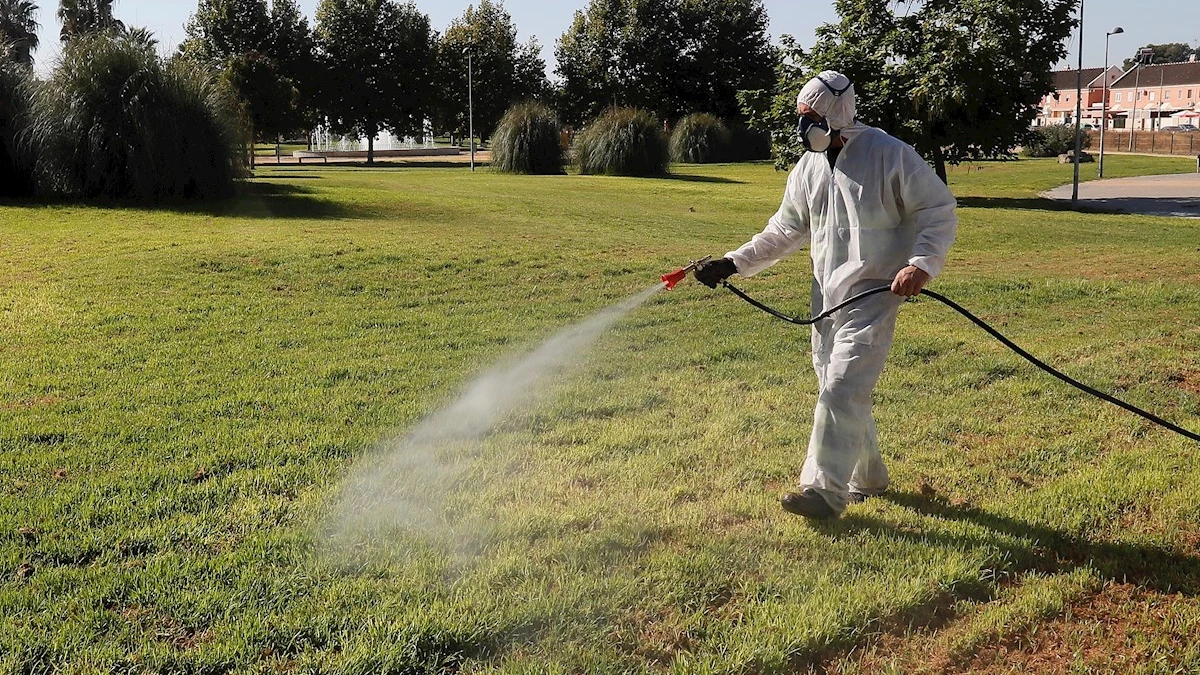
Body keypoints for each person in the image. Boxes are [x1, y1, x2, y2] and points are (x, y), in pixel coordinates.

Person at [694, 70, 957, 520]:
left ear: (837, 113)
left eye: (811, 116)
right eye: (800, 117)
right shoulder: (808, 167)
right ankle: (868, 478)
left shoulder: (888, 154)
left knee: (841, 386)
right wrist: (733, 262)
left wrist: (920, 264)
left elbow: (937, 209)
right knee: (839, 386)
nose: (803, 126)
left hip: (875, 291)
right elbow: (784, 229)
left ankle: (823, 491)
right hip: (826, 297)